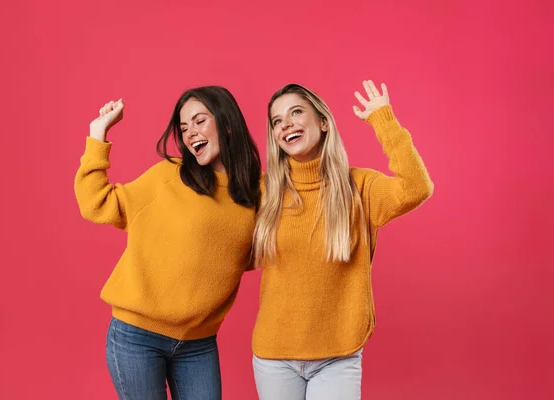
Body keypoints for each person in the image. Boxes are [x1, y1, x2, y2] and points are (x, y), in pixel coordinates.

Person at [74, 86, 261, 400]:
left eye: (199, 121)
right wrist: (98, 135)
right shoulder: (167, 177)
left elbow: (262, 250)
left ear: (227, 123)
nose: (190, 134)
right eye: (184, 128)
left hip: (199, 344)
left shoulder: (259, 191)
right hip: (137, 337)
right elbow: (96, 203)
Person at [251, 80, 434, 399]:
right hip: (274, 356)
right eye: (277, 121)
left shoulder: (360, 188)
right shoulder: (263, 192)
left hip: (338, 355)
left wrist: (384, 120)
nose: (286, 125)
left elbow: (417, 187)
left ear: (322, 122)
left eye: (296, 112)